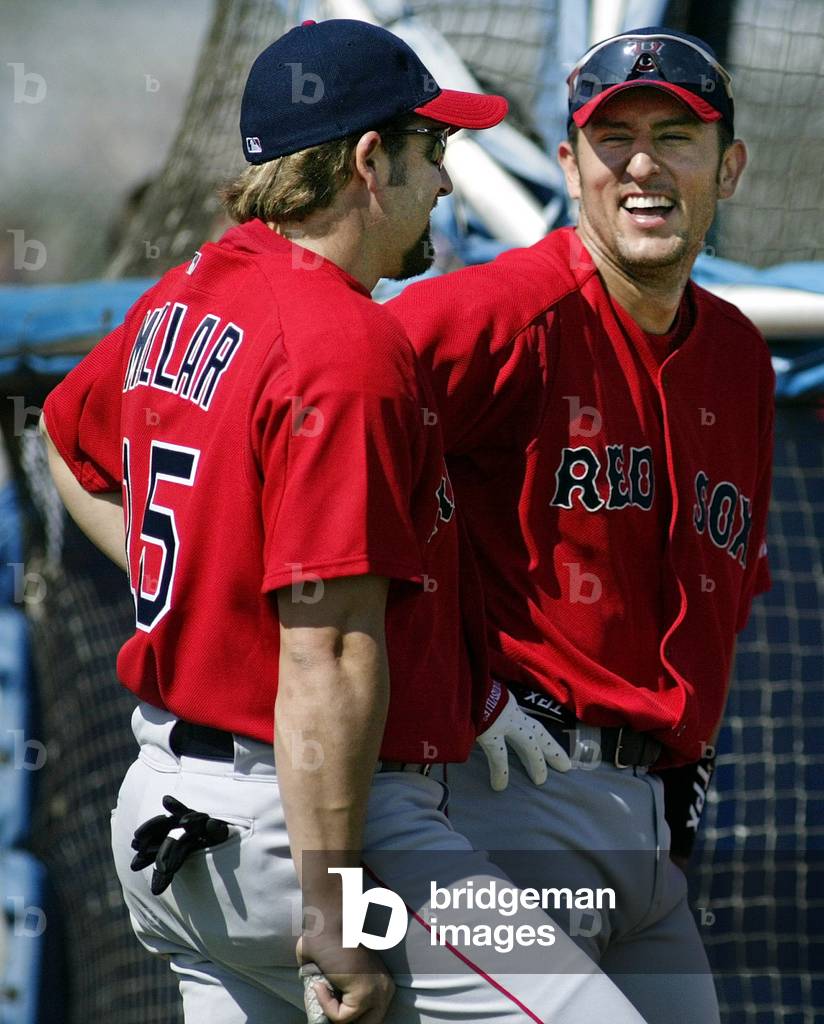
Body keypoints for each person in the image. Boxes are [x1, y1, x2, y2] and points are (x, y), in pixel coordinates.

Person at [40, 19, 651, 1024]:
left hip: (169, 817)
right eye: (433, 151)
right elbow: (324, 650)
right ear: (371, 160)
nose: (446, 185)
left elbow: (71, 448)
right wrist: (332, 905)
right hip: (312, 832)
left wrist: (206, 595)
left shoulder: (194, 290)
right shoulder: (342, 348)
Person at [388, 26, 774, 1024]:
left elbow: (719, 594)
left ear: (726, 166)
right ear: (569, 164)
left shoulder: (734, 356)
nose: (641, 165)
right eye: (614, 138)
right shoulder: (495, 313)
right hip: (502, 793)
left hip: (648, 823)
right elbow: (305, 439)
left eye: (674, 136)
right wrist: (455, 689)